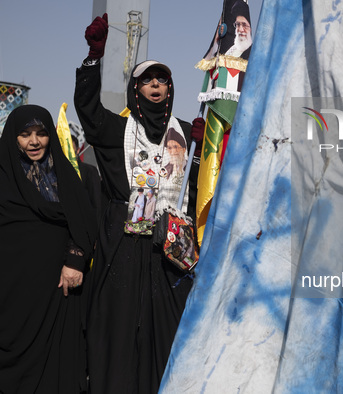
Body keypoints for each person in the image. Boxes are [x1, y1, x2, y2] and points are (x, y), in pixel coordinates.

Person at [74, 14, 198, 393]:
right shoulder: (117, 130)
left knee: (165, 325)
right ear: (136, 88)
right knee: (118, 323)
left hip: (168, 247)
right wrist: (93, 59)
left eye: (162, 80)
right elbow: (89, 113)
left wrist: (202, 149)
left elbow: (202, 184)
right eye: (148, 80)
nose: (156, 86)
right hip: (123, 243)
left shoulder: (186, 134)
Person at [0, 105, 97, 393]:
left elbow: (84, 222)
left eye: (41, 134)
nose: (34, 142)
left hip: (57, 286)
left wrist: (75, 261)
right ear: (12, 138)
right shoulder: (3, 174)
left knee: (55, 366)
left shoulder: (65, 176)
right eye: (25, 134)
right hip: (10, 290)